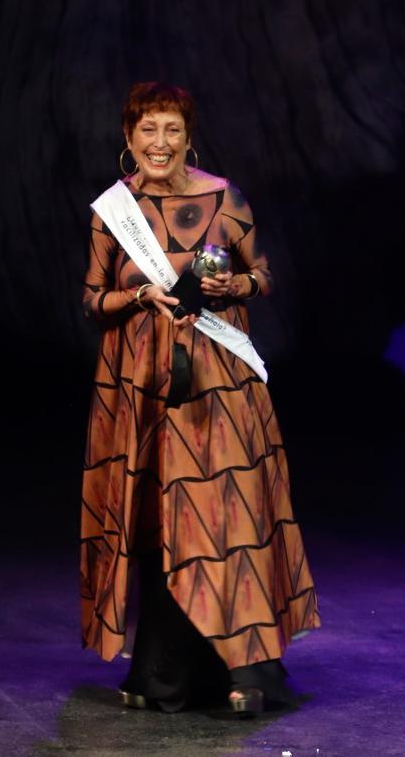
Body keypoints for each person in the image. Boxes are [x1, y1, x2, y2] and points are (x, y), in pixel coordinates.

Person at [80, 82, 319, 713]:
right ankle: (167, 673)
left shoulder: (222, 198)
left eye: (172, 130)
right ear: (128, 139)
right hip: (144, 385)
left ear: (189, 136)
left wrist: (229, 284)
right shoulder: (113, 211)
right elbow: (91, 299)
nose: (160, 143)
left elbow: (262, 276)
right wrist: (138, 297)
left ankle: (251, 672)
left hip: (220, 382)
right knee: (166, 522)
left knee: (228, 517)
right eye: (147, 130)